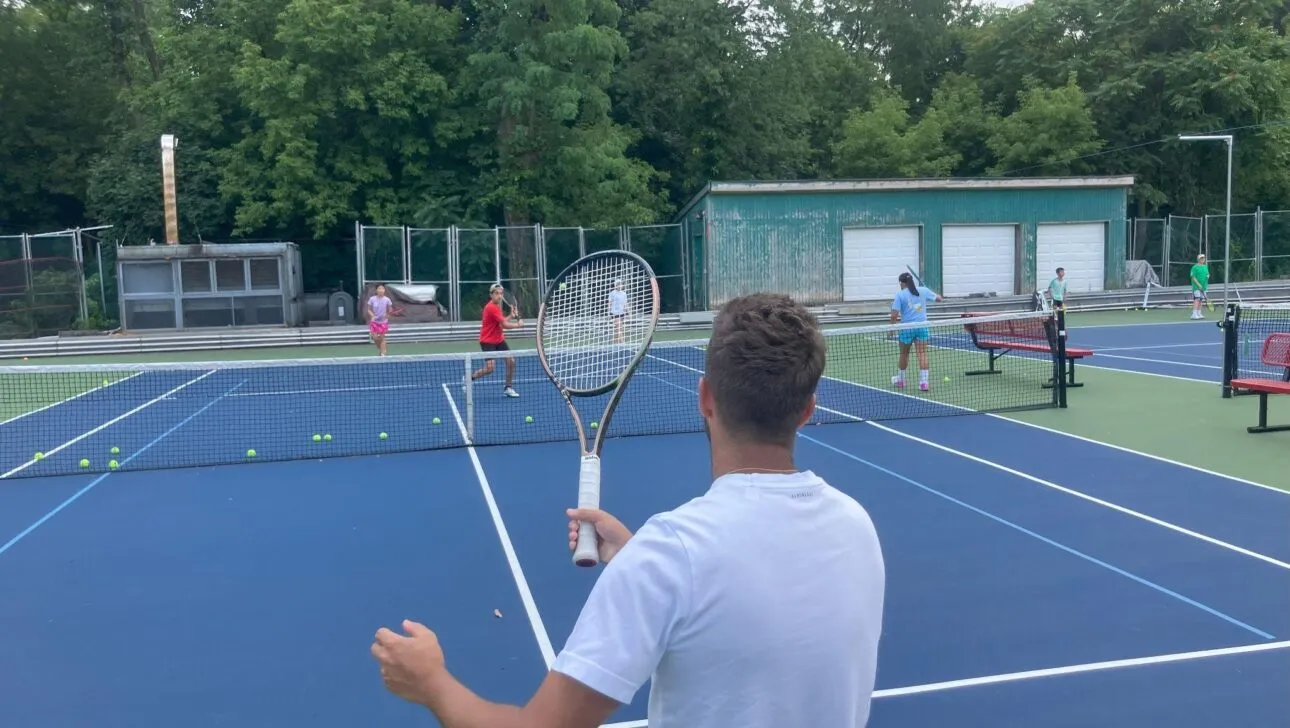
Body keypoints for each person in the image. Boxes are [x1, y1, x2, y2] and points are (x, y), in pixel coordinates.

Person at [371, 293, 886, 728]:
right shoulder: (856, 524)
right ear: (808, 409)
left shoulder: (669, 557)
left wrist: (431, 683)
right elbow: (748, 608)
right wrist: (640, 559)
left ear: (705, 398)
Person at [890, 271, 943, 392]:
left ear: (902, 283)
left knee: (904, 354)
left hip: (906, 329)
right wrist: (936, 295)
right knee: (922, 354)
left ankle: (901, 380)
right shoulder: (923, 290)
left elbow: (894, 315)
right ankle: (924, 383)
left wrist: (891, 328)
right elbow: (939, 299)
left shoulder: (900, 295)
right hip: (922, 327)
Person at [471, 283, 521, 397]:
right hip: (487, 341)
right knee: (490, 368)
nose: (499, 296)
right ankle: (470, 378)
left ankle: (508, 387)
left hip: (499, 340)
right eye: (496, 293)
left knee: (511, 361)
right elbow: (505, 326)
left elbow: (500, 324)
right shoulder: (491, 308)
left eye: (501, 293)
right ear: (491, 295)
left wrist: (511, 316)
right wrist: (518, 325)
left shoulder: (497, 307)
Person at [366, 284, 393, 357]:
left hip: (383, 322)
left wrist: (387, 315)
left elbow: (390, 310)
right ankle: (382, 350)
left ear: (384, 290)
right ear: (376, 290)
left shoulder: (387, 300)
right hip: (374, 322)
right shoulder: (372, 299)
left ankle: (383, 353)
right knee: (375, 338)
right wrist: (372, 315)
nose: (381, 290)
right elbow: (368, 309)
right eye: (379, 289)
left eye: (382, 289)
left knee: (382, 338)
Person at [607, 278, 628, 343]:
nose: (619, 286)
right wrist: (608, 313)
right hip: (615, 313)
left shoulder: (624, 294)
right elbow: (609, 303)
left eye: (620, 284)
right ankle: (623, 344)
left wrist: (628, 313)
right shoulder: (612, 293)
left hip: (622, 313)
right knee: (619, 328)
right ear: (615, 285)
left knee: (617, 329)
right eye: (618, 284)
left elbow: (625, 304)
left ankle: (615, 344)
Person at [1190, 253, 1210, 319]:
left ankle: (1199, 313)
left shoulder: (1205, 267)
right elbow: (1193, 277)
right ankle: (1194, 314)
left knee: (1201, 300)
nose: (1203, 259)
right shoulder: (1195, 267)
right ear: (1198, 259)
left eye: (1203, 258)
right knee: (1197, 299)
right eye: (1201, 258)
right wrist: (1198, 284)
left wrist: (1208, 276)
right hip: (1196, 287)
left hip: (1204, 286)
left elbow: (1207, 274)